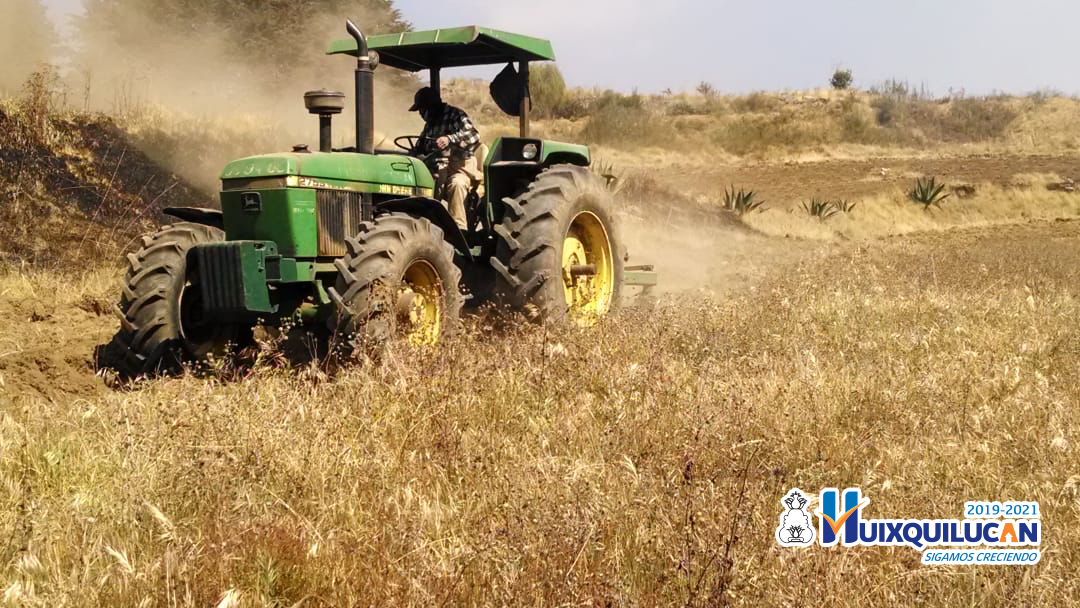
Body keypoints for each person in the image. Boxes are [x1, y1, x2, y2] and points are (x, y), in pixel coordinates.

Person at [409, 87, 481, 229]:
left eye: (422, 109)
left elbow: (474, 135)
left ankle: (459, 229)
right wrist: (414, 153)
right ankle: (422, 226)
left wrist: (450, 138)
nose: (420, 114)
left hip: (460, 168)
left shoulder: (455, 115)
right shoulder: (430, 124)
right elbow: (420, 145)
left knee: (456, 185)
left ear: (431, 106)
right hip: (437, 168)